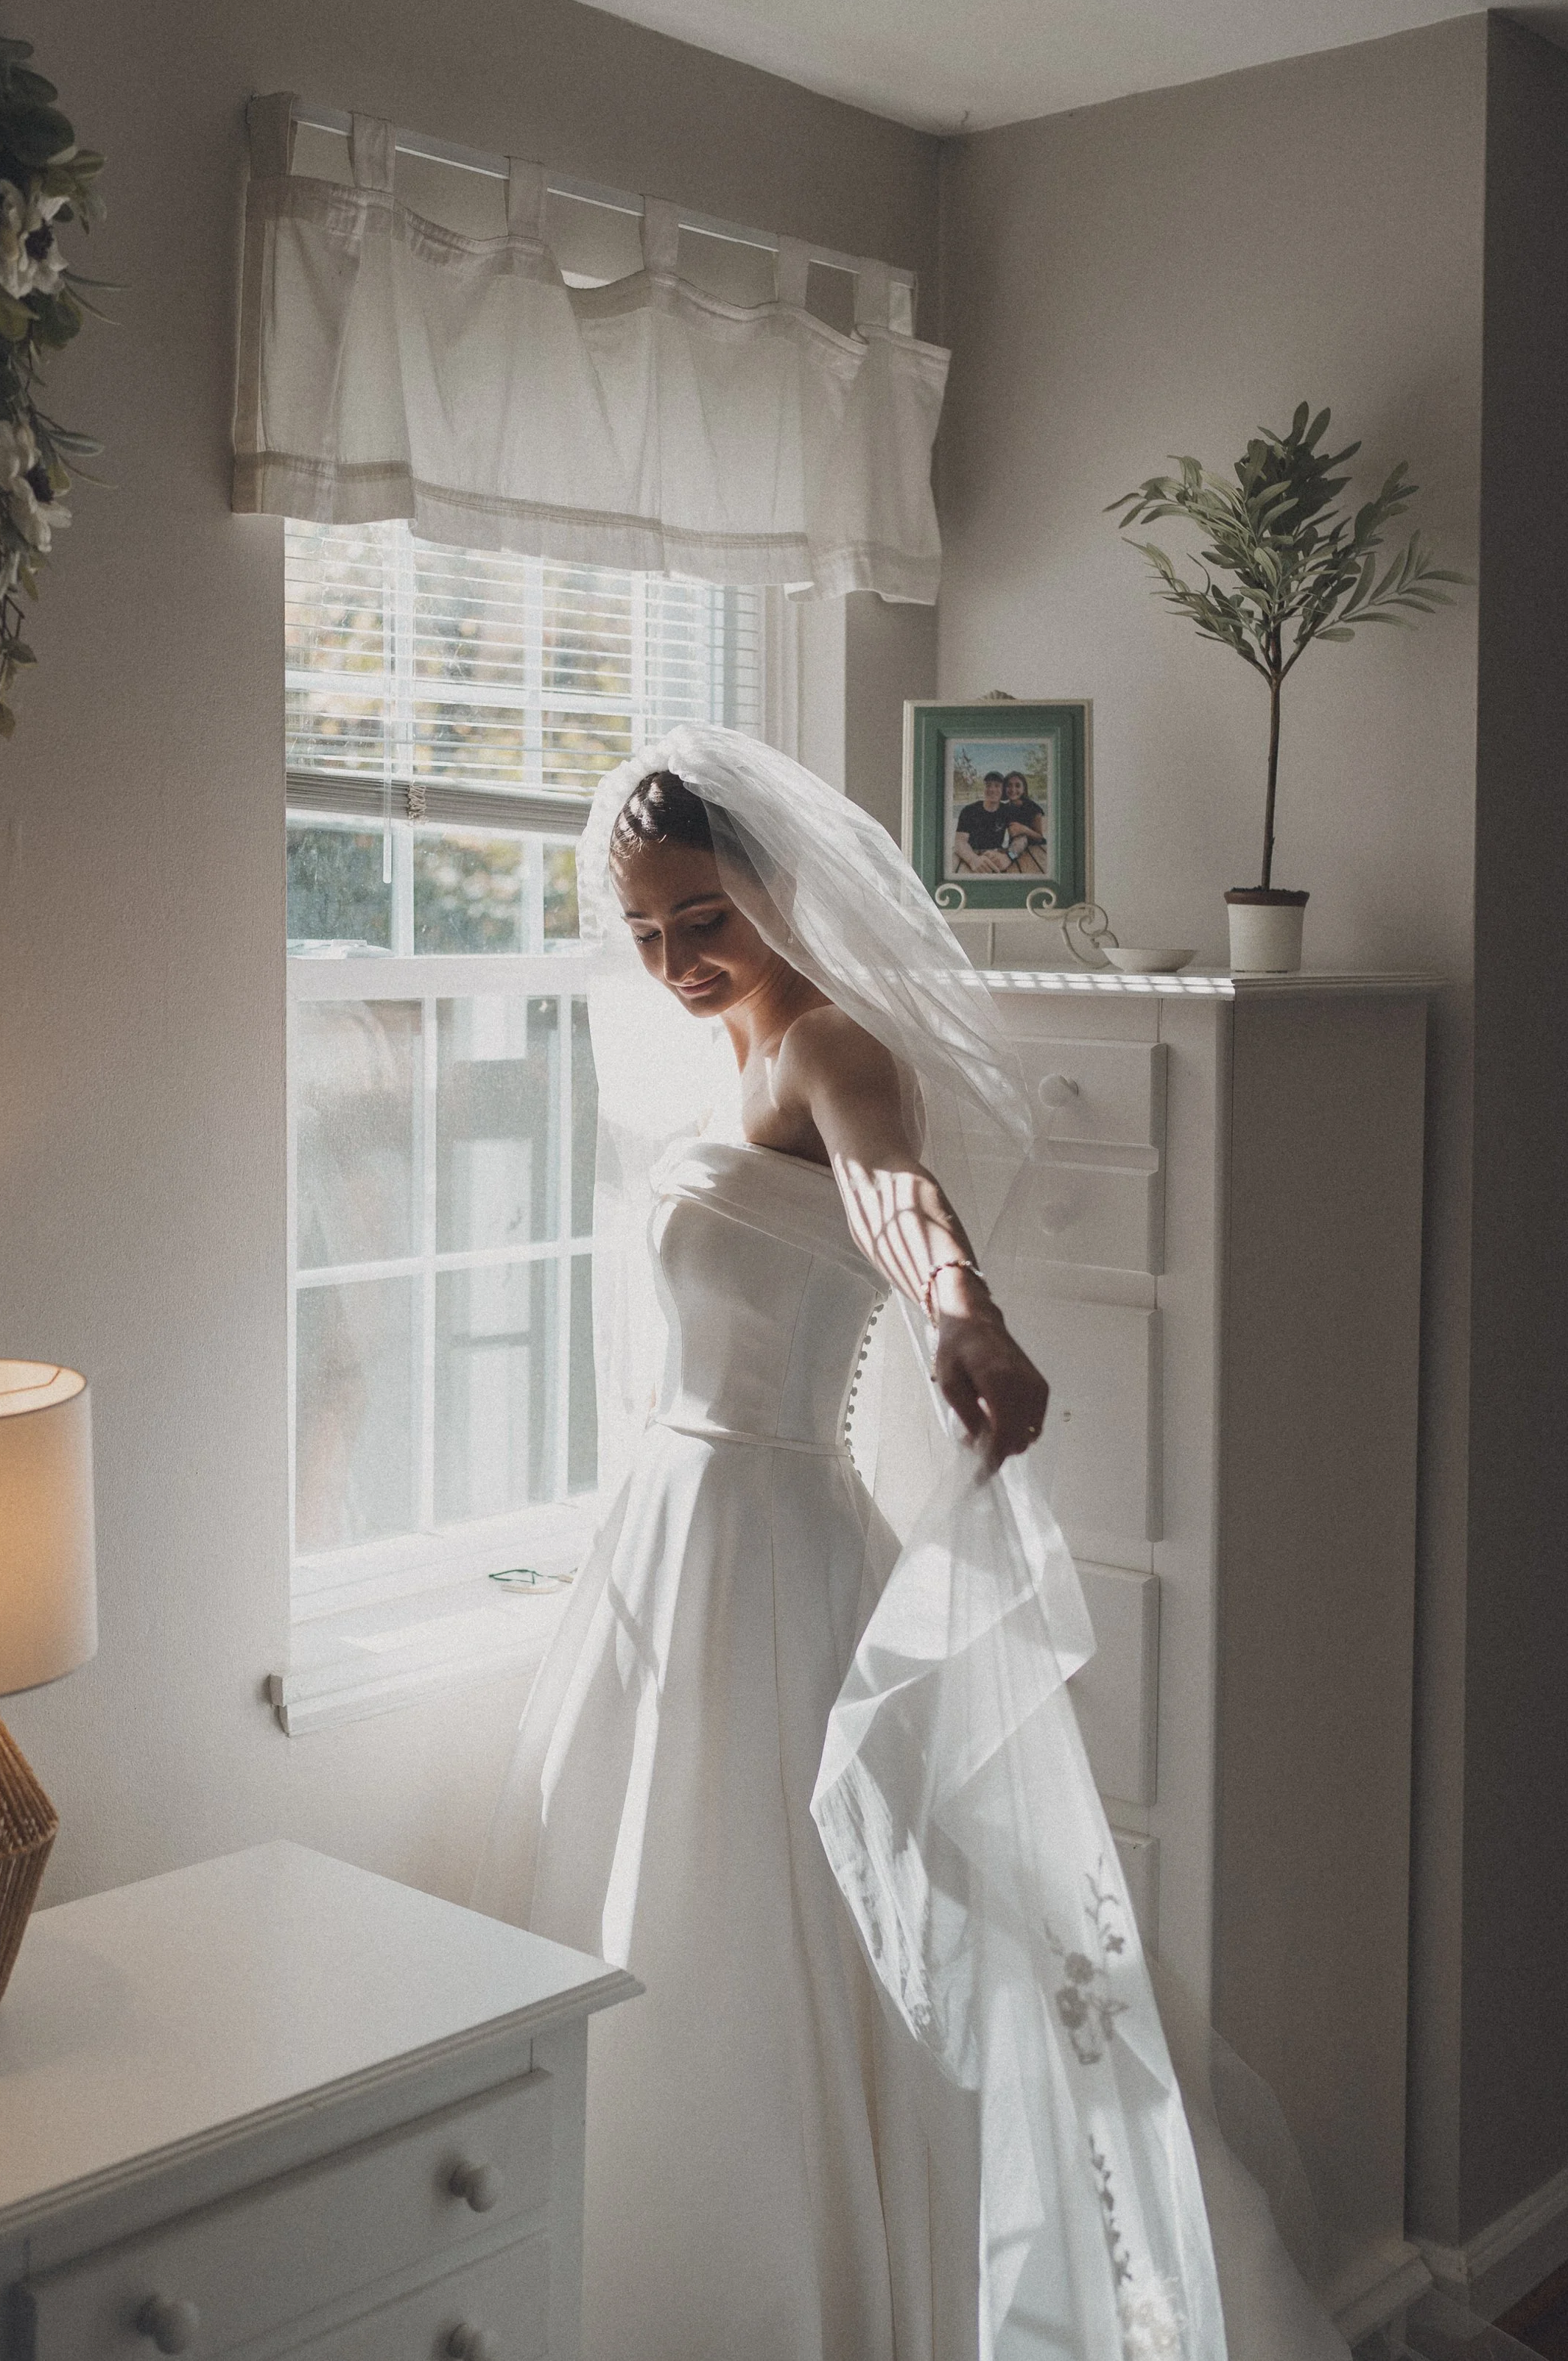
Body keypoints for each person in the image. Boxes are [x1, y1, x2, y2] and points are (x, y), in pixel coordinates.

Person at [477, 728, 1345, 2361]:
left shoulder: (830, 1050)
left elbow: (895, 1201)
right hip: (665, 1545)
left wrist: (968, 1314)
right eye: (646, 927)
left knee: (796, 1944)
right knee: (641, 1911)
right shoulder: (708, 1052)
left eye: (700, 918)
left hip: (773, 1548)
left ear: (772, 888)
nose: (671, 957)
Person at [952, 768, 1013, 872]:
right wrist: (973, 859)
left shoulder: (1007, 810)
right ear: (984, 789)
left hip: (995, 856)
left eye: (997, 786)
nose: (992, 789)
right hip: (970, 856)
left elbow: (1019, 838)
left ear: (1003, 791)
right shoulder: (969, 811)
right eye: (988, 785)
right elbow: (960, 842)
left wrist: (1009, 856)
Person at [1000, 767, 1048, 873]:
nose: (1013, 790)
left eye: (1018, 786)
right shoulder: (1005, 808)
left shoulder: (1033, 808)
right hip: (1014, 849)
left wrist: (1024, 829)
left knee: (1022, 839)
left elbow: (1040, 837)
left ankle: (1008, 858)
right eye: (1009, 786)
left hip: (1035, 848)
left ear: (1024, 789)